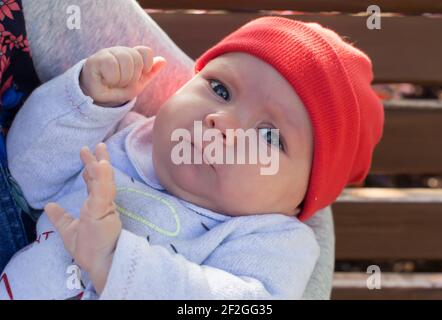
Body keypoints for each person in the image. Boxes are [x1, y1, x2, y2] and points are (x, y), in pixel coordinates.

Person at [0, 16, 383, 299]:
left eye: (269, 135)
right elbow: (26, 177)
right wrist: (85, 102)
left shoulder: (272, 240)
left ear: (301, 198)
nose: (223, 124)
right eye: (219, 88)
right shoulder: (120, 135)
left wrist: (113, 261)